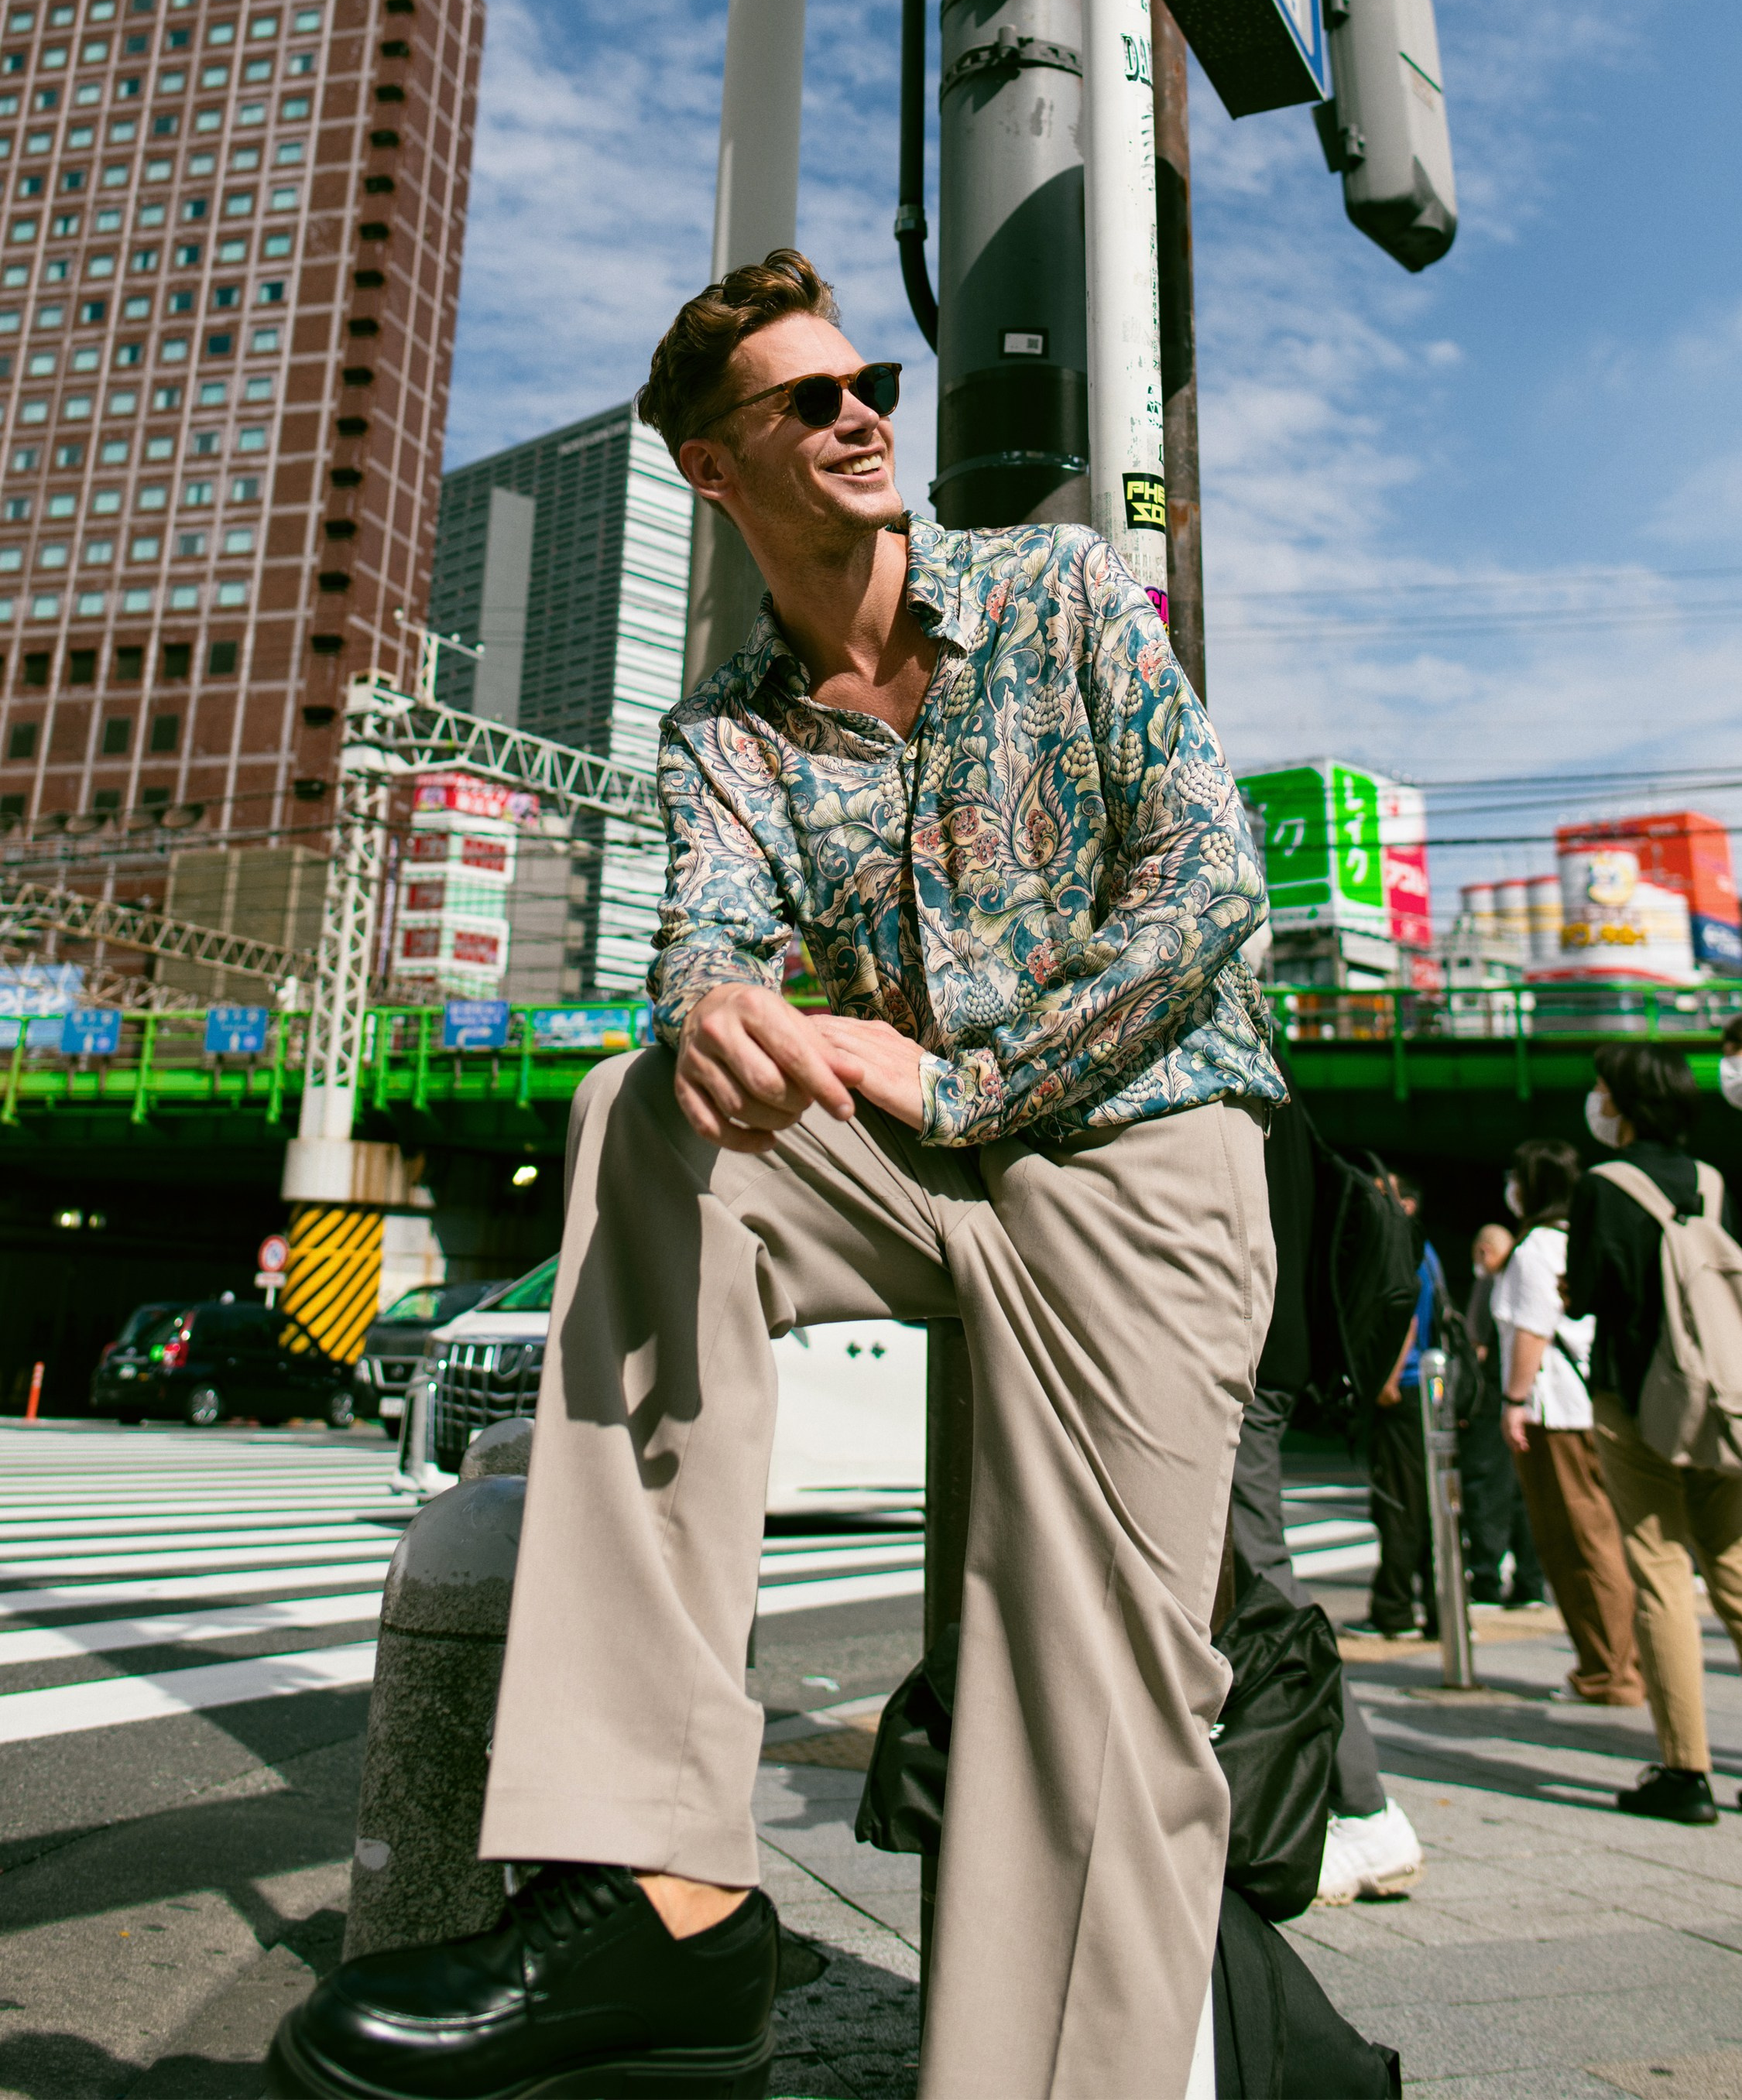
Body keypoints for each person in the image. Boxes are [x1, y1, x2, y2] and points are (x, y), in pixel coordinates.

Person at [269, 251, 1282, 2100]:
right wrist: (722, 1004)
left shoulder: (1060, 593)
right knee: (644, 1105)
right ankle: (656, 1878)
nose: (858, 413)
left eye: (863, 380)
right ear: (711, 470)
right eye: (805, 399)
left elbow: (1213, 899)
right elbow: (706, 935)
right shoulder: (720, 730)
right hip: (914, 1149)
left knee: (1085, 1700)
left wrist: (972, 1074)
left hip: (1133, 1158)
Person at [1229, 1071, 1424, 1904]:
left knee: (1258, 1581)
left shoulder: (1233, 1079)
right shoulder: (1277, 1089)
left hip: (1242, 1365)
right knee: (1239, 1580)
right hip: (1268, 1361)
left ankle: (1365, 1807)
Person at [1569, 1043, 1742, 1825]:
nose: (1597, 1101)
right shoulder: (1710, 1182)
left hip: (1635, 1399)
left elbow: (1591, 1293)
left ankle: (1687, 1772)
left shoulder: (1605, 1185)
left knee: (1662, 1572)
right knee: (1736, 1570)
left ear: (1627, 1104)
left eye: (1603, 1090)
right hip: (1723, 1399)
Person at [1492, 1139, 1643, 1706]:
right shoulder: (1579, 1238)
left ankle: (1609, 1671)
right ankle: (1619, 1663)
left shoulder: (1534, 1250)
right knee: (1602, 1538)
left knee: (1577, 1541)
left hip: (1553, 1408)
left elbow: (1531, 1332)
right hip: (1590, 1405)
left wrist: (1513, 1402)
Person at [1353, 1173, 1443, 1640]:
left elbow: (1403, 1312)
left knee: (1397, 1501)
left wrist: (1386, 1379)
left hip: (1403, 1385)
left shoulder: (1404, 1247)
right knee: (1426, 1501)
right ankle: (1436, 1606)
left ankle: (1394, 1610)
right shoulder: (1427, 1250)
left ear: (1405, 1204)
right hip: (1422, 1388)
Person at [1459, 1221, 1548, 1608]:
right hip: (1536, 1396)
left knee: (1485, 1486)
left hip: (1498, 1395)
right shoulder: (1536, 1271)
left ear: (1485, 1252)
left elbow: (1475, 1341)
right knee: (1527, 1491)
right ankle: (1531, 1581)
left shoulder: (1492, 1281)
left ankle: (1486, 1579)